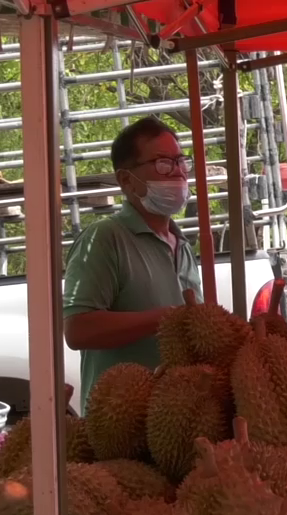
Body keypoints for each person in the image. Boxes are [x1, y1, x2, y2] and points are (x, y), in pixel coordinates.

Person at [63, 116, 202, 411]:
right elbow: (77, 330)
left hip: (175, 416)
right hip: (118, 418)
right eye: (163, 163)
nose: (178, 173)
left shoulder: (183, 246)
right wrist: (166, 318)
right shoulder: (103, 238)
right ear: (126, 180)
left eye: (180, 162)